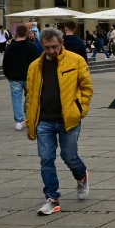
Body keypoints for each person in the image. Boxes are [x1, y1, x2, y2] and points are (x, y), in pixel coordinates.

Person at [25, 27, 93, 215]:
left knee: (69, 156)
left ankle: (81, 176)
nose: (51, 51)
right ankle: (52, 198)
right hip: (44, 120)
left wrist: (80, 110)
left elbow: (87, 87)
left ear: (62, 43)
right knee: (46, 158)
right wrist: (30, 122)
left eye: (54, 46)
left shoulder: (76, 61)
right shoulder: (35, 66)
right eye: (46, 47)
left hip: (68, 118)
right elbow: (30, 96)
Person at [2, 24, 39, 131]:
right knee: (30, 98)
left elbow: (5, 62)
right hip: (29, 76)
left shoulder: (10, 47)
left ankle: (19, 120)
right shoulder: (31, 46)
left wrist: (7, 75)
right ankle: (29, 117)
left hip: (14, 77)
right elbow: (37, 62)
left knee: (16, 99)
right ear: (27, 33)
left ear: (16, 33)